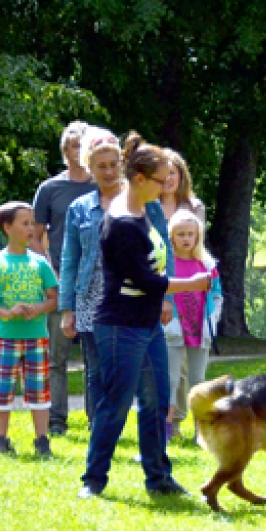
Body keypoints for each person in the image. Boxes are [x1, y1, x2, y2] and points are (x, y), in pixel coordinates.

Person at [77, 132, 211, 500]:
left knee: (157, 400)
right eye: (161, 178)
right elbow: (145, 281)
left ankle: (159, 477)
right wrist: (193, 283)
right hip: (120, 325)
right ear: (139, 178)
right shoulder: (121, 222)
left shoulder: (141, 211)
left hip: (147, 323)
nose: (167, 183)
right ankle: (93, 480)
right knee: (116, 403)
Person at [60, 127, 175, 426]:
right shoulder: (79, 209)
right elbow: (70, 259)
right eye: (101, 166)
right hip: (92, 295)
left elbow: (165, 248)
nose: (109, 171)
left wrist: (165, 297)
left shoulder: (146, 202)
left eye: (113, 165)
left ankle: (147, 428)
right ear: (90, 169)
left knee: (142, 365)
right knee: (96, 369)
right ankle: (100, 426)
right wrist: (67, 308)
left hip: (138, 292)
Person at [30, 121, 96, 436]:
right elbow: (34, 236)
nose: (77, 150)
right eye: (72, 145)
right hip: (60, 282)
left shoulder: (103, 187)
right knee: (56, 357)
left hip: (97, 284)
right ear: (64, 151)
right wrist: (49, 273)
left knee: (95, 357)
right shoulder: (50, 189)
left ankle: (96, 418)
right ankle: (57, 420)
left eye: (82, 144)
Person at [0, 202, 59, 457]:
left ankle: (42, 439)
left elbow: (54, 298)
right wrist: (6, 313)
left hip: (36, 337)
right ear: (7, 227)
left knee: (38, 389)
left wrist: (38, 309)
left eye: (32, 223)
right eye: (24, 223)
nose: (31, 228)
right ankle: (0, 439)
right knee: (1, 389)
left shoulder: (40, 263)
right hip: (5, 337)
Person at [164, 209, 222, 436]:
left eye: (190, 234)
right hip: (174, 326)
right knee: (171, 378)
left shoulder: (207, 264)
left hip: (200, 326)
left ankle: (201, 430)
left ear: (198, 236)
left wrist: (212, 318)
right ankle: (169, 427)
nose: (186, 238)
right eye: (181, 234)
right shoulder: (167, 264)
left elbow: (217, 293)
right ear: (172, 237)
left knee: (198, 380)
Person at [158, 148, 206, 420]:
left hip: (191, 284)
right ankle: (170, 420)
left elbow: (197, 248)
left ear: (180, 175)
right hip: (161, 283)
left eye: (173, 173)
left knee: (191, 366)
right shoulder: (149, 206)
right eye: (163, 174)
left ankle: (188, 417)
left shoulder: (194, 207)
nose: (168, 179)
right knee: (168, 362)